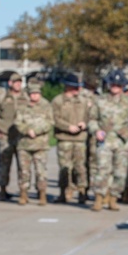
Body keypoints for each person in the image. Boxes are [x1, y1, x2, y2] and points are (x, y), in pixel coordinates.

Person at [87, 69, 128, 211]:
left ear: (123, 86)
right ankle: (99, 198)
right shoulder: (100, 101)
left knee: (120, 173)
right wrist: (96, 130)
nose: (115, 87)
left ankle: (113, 198)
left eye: (118, 84)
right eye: (113, 84)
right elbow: (92, 119)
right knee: (102, 170)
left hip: (122, 141)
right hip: (105, 140)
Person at [51, 73, 90, 204]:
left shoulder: (83, 101)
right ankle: (63, 192)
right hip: (64, 138)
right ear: (67, 87)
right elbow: (54, 118)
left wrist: (85, 123)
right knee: (64, 167)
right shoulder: (58, 101)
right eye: (74, 87)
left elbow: (90, 116)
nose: (77, 90)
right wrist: (68, 127)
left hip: (80, 139)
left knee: (80, 167)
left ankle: (82, 191)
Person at [0, 73, 27, 200]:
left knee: (23, 165)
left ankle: (23, 191)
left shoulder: (25, 97)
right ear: (10, 83)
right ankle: (2, 190)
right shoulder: (2, 97)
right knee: (4, 164)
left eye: (20, 82)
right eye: (15, 82)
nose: (18, 84)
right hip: (5, 135)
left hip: (21, 136)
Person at [14, 83, 54, 205]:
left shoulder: (46, 106)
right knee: (24, 171)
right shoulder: (22, 107)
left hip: (40, 144)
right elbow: (17, 122)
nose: (34, 96)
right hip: (24, 144)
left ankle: (42, 194)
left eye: (37, 93)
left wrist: (36, 131)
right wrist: (26, 130)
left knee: (40, 171)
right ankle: (23, 194)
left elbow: (50, 122)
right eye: (32, 94)